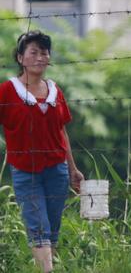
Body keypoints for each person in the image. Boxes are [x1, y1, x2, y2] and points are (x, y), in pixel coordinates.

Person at [0, 31, 84, 272]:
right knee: (38, 227)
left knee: (52, 230)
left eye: (44, 52)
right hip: (26, 171)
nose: (40, 57)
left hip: (56, 170)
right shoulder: (7, 91)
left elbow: (61, 133)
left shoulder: (55, 90)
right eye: (33, 52)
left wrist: (73, 169)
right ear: (20, 58)